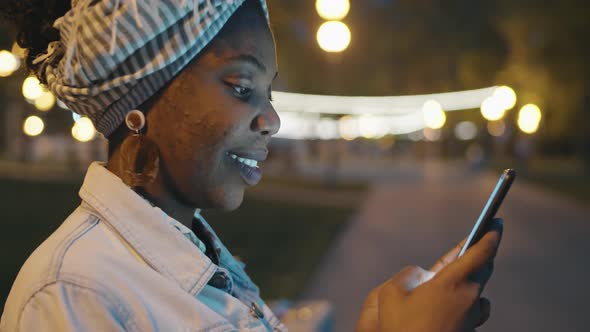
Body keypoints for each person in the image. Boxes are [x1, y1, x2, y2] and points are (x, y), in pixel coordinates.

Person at [0, 0, 503, 331]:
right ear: (140, 101)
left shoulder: (197, 256)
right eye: (242, 89)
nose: (273, 120)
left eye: (270, 93)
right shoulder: (73, 295)